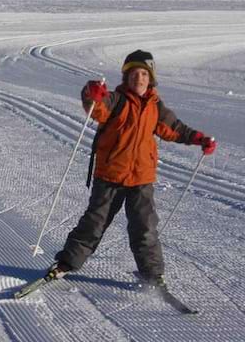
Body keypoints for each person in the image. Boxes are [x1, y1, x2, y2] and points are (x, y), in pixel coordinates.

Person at [45, 50, 217, 286]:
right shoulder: (116, 100)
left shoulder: (156, 107)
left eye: (144, 74)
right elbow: (97, 106)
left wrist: (199, 139)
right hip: (110, 175)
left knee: (145, 228)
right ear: (126, 77)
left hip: (141, 178)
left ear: (151, 78)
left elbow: (175, 129)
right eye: (134, 73)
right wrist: (91, 93)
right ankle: (66, 263)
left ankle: (152, 276)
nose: (140, 78)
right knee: (94, 223)